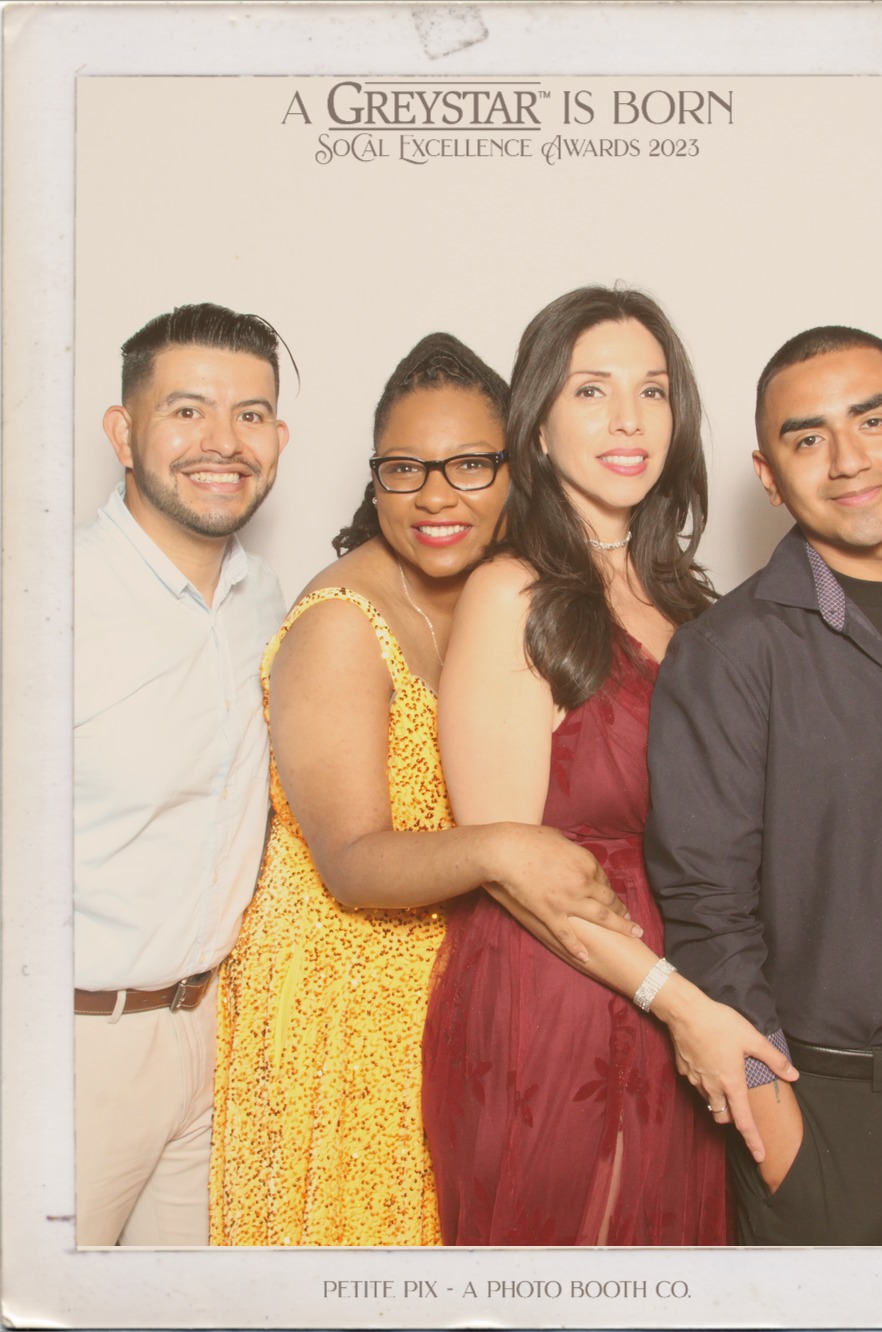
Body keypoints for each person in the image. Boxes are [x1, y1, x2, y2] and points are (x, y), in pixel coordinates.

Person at [209, 333, 637, 1248]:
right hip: (344, 1005)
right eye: (405, 469)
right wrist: (505, 848)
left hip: (459, 985)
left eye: (470, 465)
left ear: (518, 469)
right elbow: (351, 861)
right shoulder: (342, 622)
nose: (436, 497)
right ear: (376, 484)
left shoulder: (511, 596)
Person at [421, 286, 796, 1246]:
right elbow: (508, 866)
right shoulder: (512, 593)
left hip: (689, 983)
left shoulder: (690, 599)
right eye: (591, 390)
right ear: (538, 426)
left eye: (653, 390)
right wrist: (678, 1004)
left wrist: (703, 1002)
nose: (629, 418)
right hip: (559, 990)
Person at [645, 325, 882, 1245]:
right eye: (808, 438)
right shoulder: (730, 653)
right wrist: (786, 1149)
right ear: (769, 476)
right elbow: (705, 909)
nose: (847, 459)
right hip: (843, 1123)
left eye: (872, 420)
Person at [74, 302, 290, 1246]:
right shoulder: (48, 599)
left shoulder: (268, 600)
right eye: (187, 409)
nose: (223, 441)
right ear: (123, 434)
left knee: (184, 1307)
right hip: (70, 1044)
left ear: (279, 440)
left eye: (250, 414)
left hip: (211, 1035)